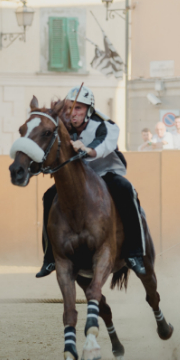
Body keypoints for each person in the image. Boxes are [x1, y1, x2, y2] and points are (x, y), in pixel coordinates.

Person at [35, 86, 148, 279]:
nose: (73, 113)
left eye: (79, 108)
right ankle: (50, 257)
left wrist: (87, 149)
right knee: (48, 196)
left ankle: (134, 253)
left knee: (125, 188)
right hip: (77, 179)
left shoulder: (105, 124)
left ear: (89, 110)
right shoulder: (62, 126)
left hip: (104, 173)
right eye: (70, 108)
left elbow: (104, 144)